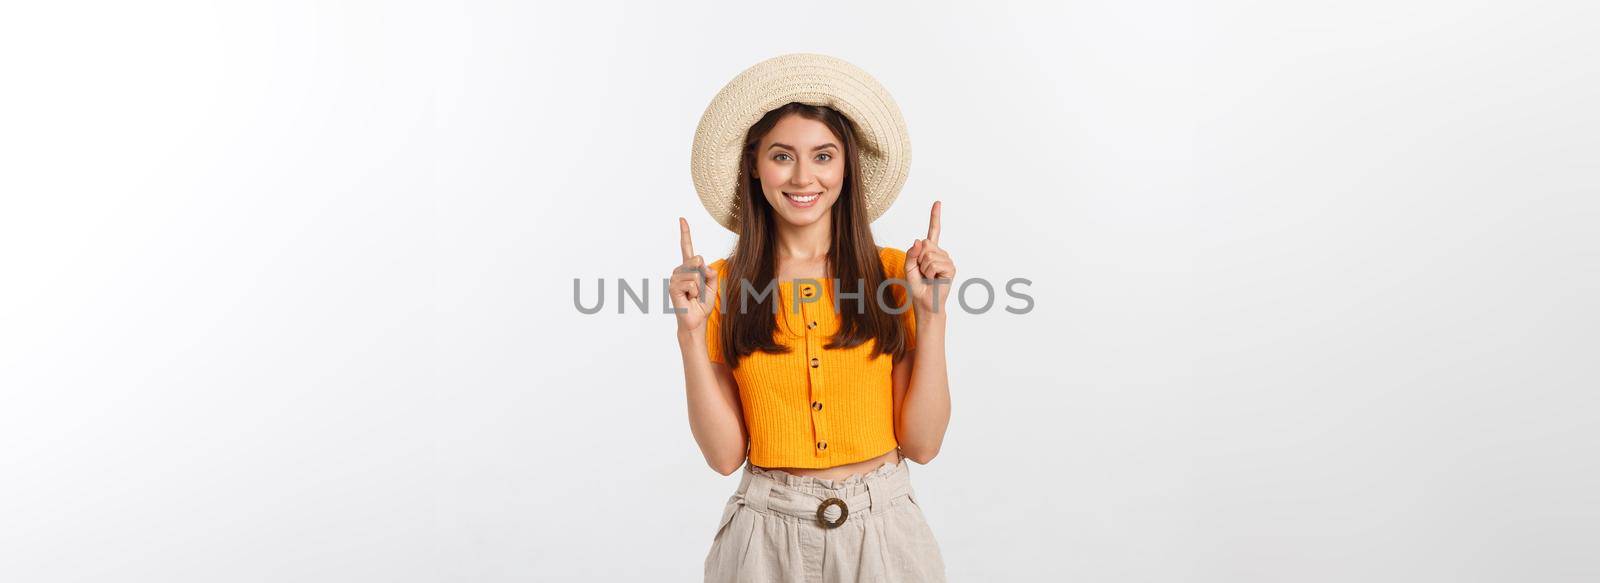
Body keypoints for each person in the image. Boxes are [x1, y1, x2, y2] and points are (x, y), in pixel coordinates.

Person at [670, 53, 956, 583]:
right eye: (782, 156)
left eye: (823, 156)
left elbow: (922, 444)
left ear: (845, 166)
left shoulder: (896, 277)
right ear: (755, 166)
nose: (804, 177)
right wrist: (690, 335)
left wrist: (931, 317)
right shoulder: (719, 289)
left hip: (883, 533)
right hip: (763, 539)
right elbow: (725, 457)